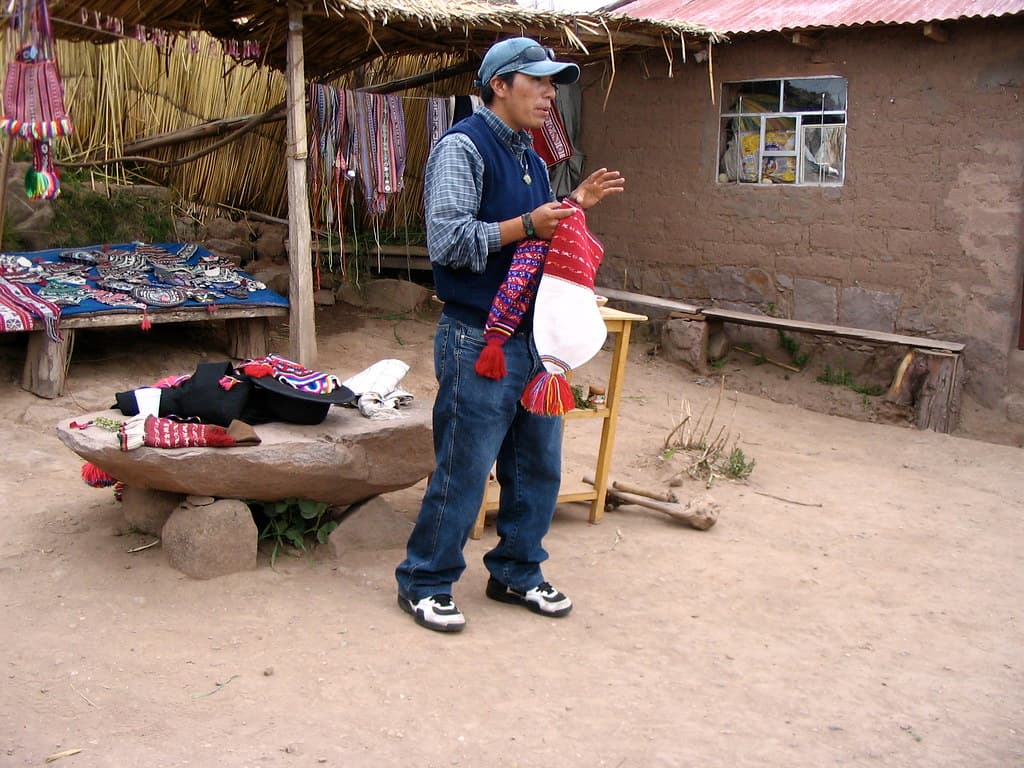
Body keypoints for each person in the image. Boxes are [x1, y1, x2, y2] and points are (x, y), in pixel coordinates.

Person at [394, 37, 625, 633]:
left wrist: (573, 203)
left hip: (534, 339)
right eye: (539, 81)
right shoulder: (461, 148)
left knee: (537, 467)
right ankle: (425, 579)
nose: (551, 94)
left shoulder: (533, 155)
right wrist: (529, 221)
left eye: (554, 83)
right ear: (500, 84)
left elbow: (534, 241)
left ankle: (516, 571)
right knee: (464, 470)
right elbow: (447, 243)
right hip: (478, 338)